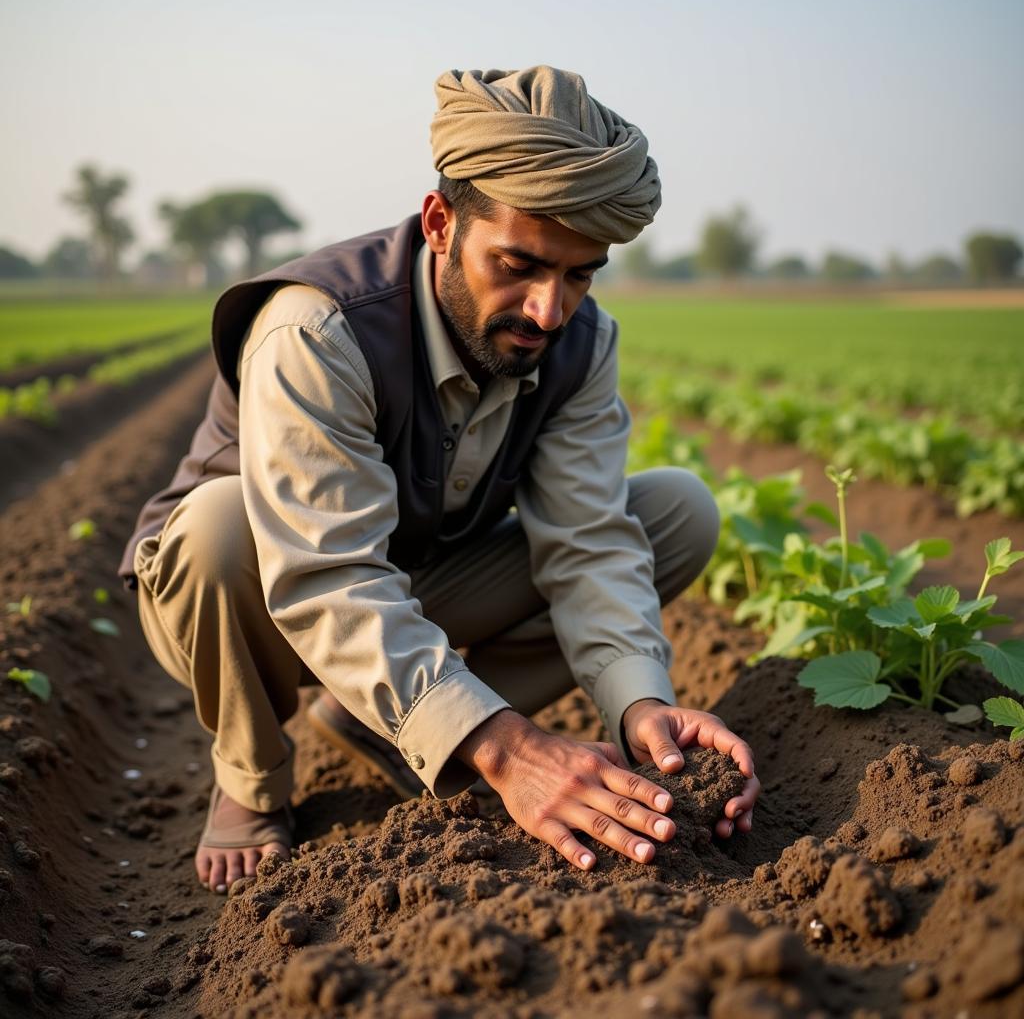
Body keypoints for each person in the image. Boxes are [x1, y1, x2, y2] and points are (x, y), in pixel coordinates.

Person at [120, 66, 760, 895]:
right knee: (216, 526)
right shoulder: (317, 329)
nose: (547, 311)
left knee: (677, 512)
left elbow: (591, 543)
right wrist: (509, 747)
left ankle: (381, 720)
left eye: (579, 275)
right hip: (246, 593)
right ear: (439, 223)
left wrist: (641, 708)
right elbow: (329, 573)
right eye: (520, 265)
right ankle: (250, 779)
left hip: (414, 573)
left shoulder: (580, 344)